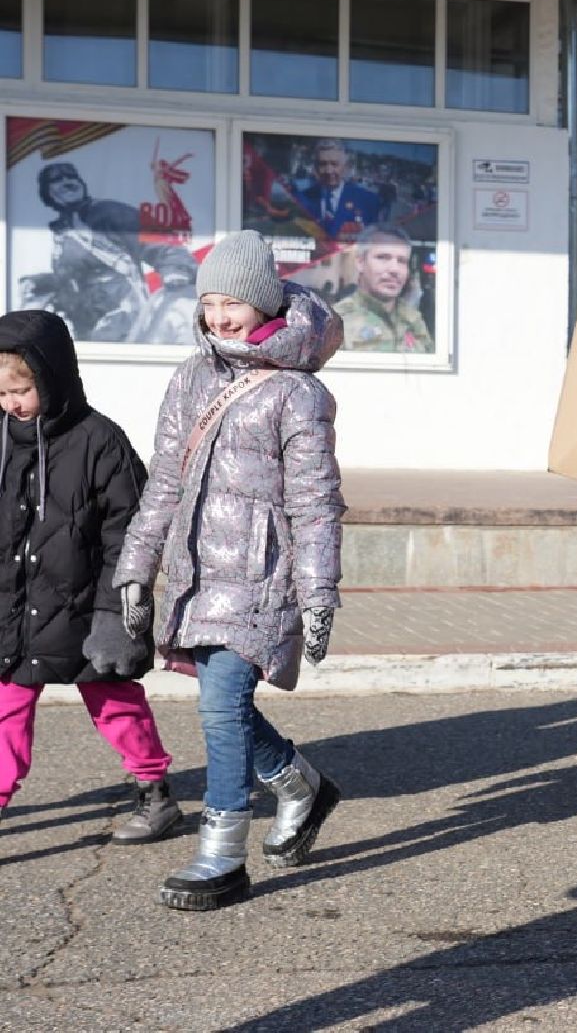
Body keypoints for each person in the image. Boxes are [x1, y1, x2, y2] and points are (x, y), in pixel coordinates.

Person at [114, 231, 346, 911]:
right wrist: (137, 568)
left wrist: (319, 594)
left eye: (233, 303)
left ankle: (221, 854)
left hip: (262, 574)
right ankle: (300, 786)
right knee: (228, 707)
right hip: (195, 571)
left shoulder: (297, 392)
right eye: (210, 302)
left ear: (265, 302)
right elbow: (164, 481)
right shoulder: (191, 376)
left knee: (219, 707)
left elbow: (315, 502)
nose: (220, 317)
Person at [0, 310, 180, 842]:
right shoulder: (3, 440)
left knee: (114, 700)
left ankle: (154, 790)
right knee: (6, 710)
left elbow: (130, 530)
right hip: (14, 607)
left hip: (85, 605)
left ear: (53, 376)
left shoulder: (100, 440)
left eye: (22, 390)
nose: (12, 403)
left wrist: (117, 609)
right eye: (2, 393)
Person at [21, 162, 196, 343]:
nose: (67, 182)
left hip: (121, 317)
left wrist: (176, 267)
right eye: (57, 179)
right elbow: (79, 275)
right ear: (47, 192)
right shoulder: (64, 230)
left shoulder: (108, 212)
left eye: (71, 177)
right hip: (86, 325)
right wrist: (44, 283)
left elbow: (160, 240)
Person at [335, 225, 433, 353]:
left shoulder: (413, 320)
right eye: (383, 258)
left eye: (402, 261)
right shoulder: (336, 322)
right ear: (360, 263)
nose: (394, 269)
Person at [297, 140, 379, 240]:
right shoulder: (301, 199)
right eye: (322, 164)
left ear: (345, 167)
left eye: (334, 164)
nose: (328, 171)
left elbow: (373, 241)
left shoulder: (367, 200)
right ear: (316, 167)